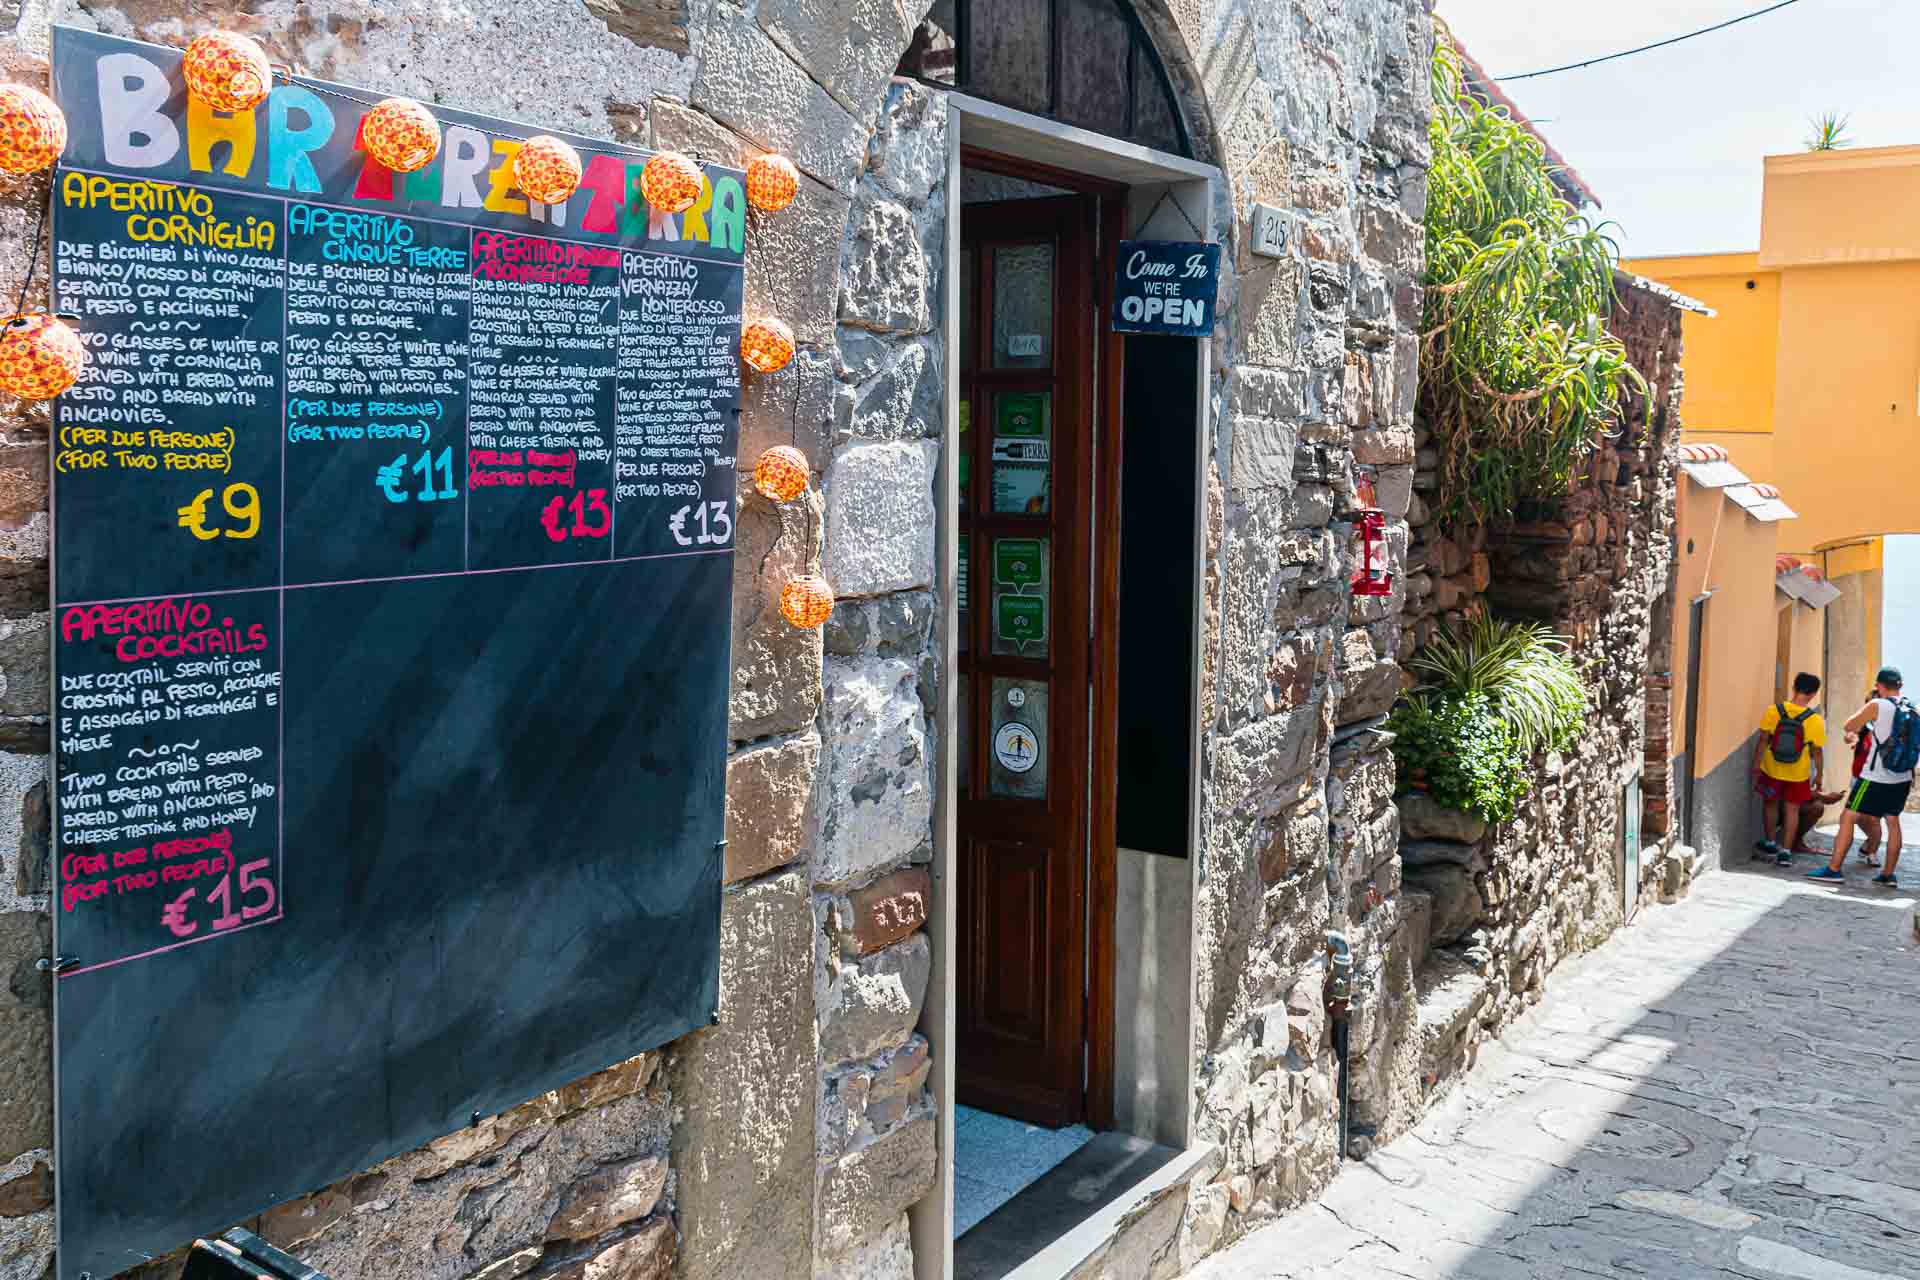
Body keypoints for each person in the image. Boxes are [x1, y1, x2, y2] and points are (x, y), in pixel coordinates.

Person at [1810, 667, 1915, 885]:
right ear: (1900, 686)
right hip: (1902, 777)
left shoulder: (1878, 705)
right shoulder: (1913, 708)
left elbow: (1849, 725)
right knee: (1893, 822)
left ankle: (1834, 869)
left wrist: (1870, 713)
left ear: (1879, 685)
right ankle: (1888, 875)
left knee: (1848, 817)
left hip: (1874, 778)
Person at [1753, 673, 1826, 866]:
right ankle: (1785, 851)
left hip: (1771, 767)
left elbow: (1762, 740)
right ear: (1813, 694)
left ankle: (1769, 842)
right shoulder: (1815, 720)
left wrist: (1756, 765)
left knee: (1770, 804)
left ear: (1794, 687)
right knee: (1792, 809)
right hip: (1798, 772)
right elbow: (1817, 751)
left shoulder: (1773, 711)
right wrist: (1819, 776)